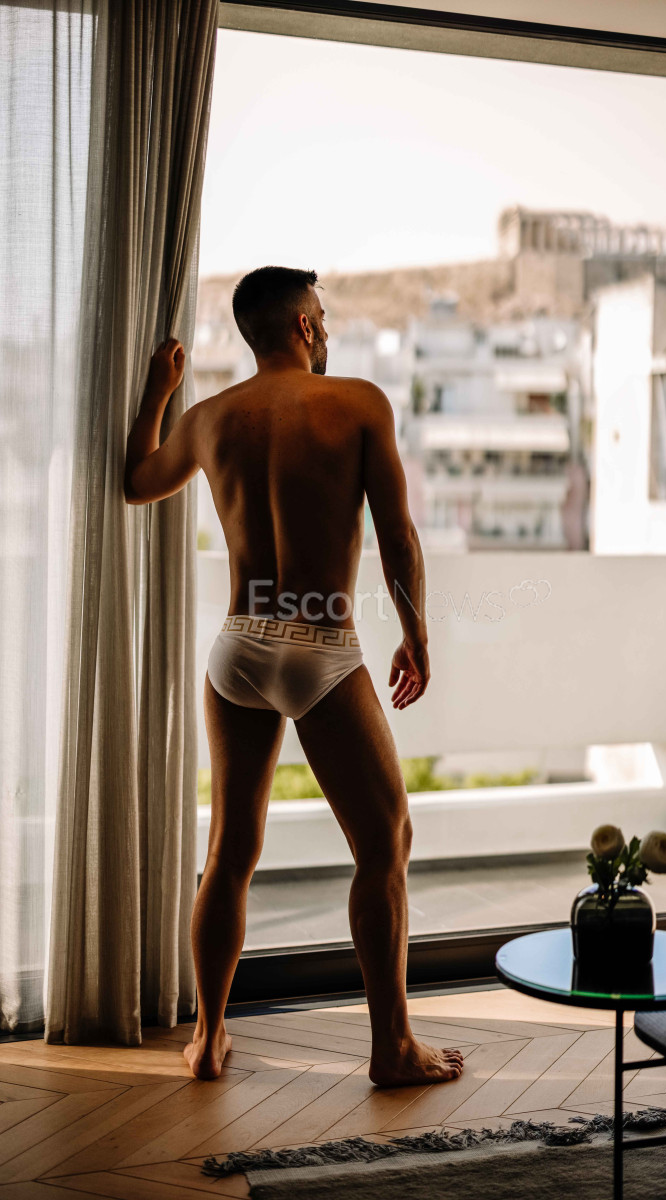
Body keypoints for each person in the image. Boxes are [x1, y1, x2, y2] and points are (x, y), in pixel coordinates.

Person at [124, 266, 464, 1088]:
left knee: (229, 851)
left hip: (238, 647)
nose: (327, 328)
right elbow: (399, 537)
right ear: (304, 325)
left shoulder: (210, 418)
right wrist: (415, 633)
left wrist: (160, 393)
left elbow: (135, 484)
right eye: (322, 315)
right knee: (385, 841)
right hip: (319, 646)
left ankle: (208, 1040)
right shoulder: (358, 403)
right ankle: (392, 1047)